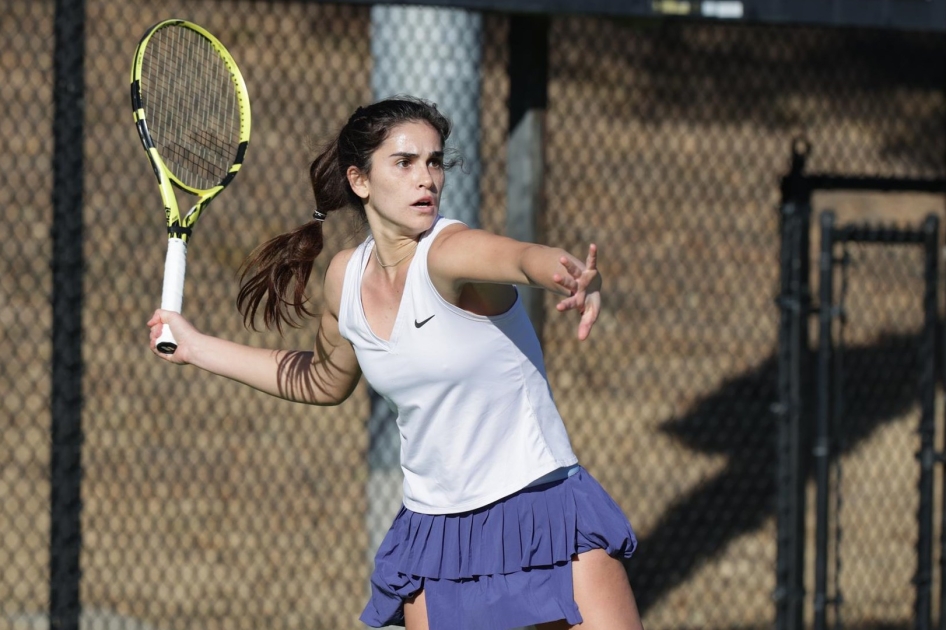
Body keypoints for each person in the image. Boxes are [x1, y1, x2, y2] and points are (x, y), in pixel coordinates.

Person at [148, 96, 643, 630]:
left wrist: (566, 275)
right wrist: (197, 347)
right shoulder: (346, 278)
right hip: (436, 537)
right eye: (404, 163)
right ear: (360, 180)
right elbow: (320, 380)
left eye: (434, 162)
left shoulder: (449, 252)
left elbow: (522, 257)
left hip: (540, 510)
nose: (426, 178)